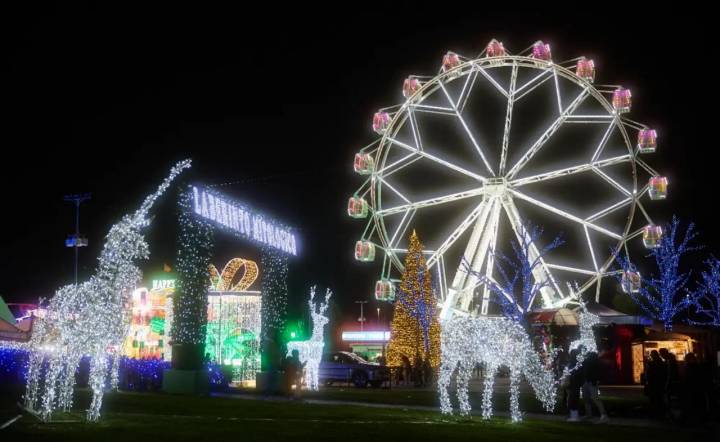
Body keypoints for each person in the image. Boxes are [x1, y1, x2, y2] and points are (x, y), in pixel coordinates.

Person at [582, 351, 608, 423]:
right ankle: (589, 414)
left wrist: (596, 380)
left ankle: (604, 415)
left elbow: (597, 373)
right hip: (587, 382)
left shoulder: (594, 362)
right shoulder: (588, 361)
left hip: (591, 382)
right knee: (586, 398)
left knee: (595, 398)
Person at [645, 350, 667, 418]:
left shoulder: (653, 363)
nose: (651, 356)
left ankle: (655, 413)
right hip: (658, 383)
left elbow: (650, 374)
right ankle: (660, 412)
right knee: (659, 398)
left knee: (655, 399)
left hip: (654, 383)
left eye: (652, 354)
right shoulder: (661, 362)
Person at [565, 348, 584, 422]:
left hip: (573, 384)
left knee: (572, 399)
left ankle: (574, 417)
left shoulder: (572, 363)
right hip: (575, 384)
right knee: (574, 399)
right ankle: (574, 415)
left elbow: (571, 373)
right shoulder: (578, 363)